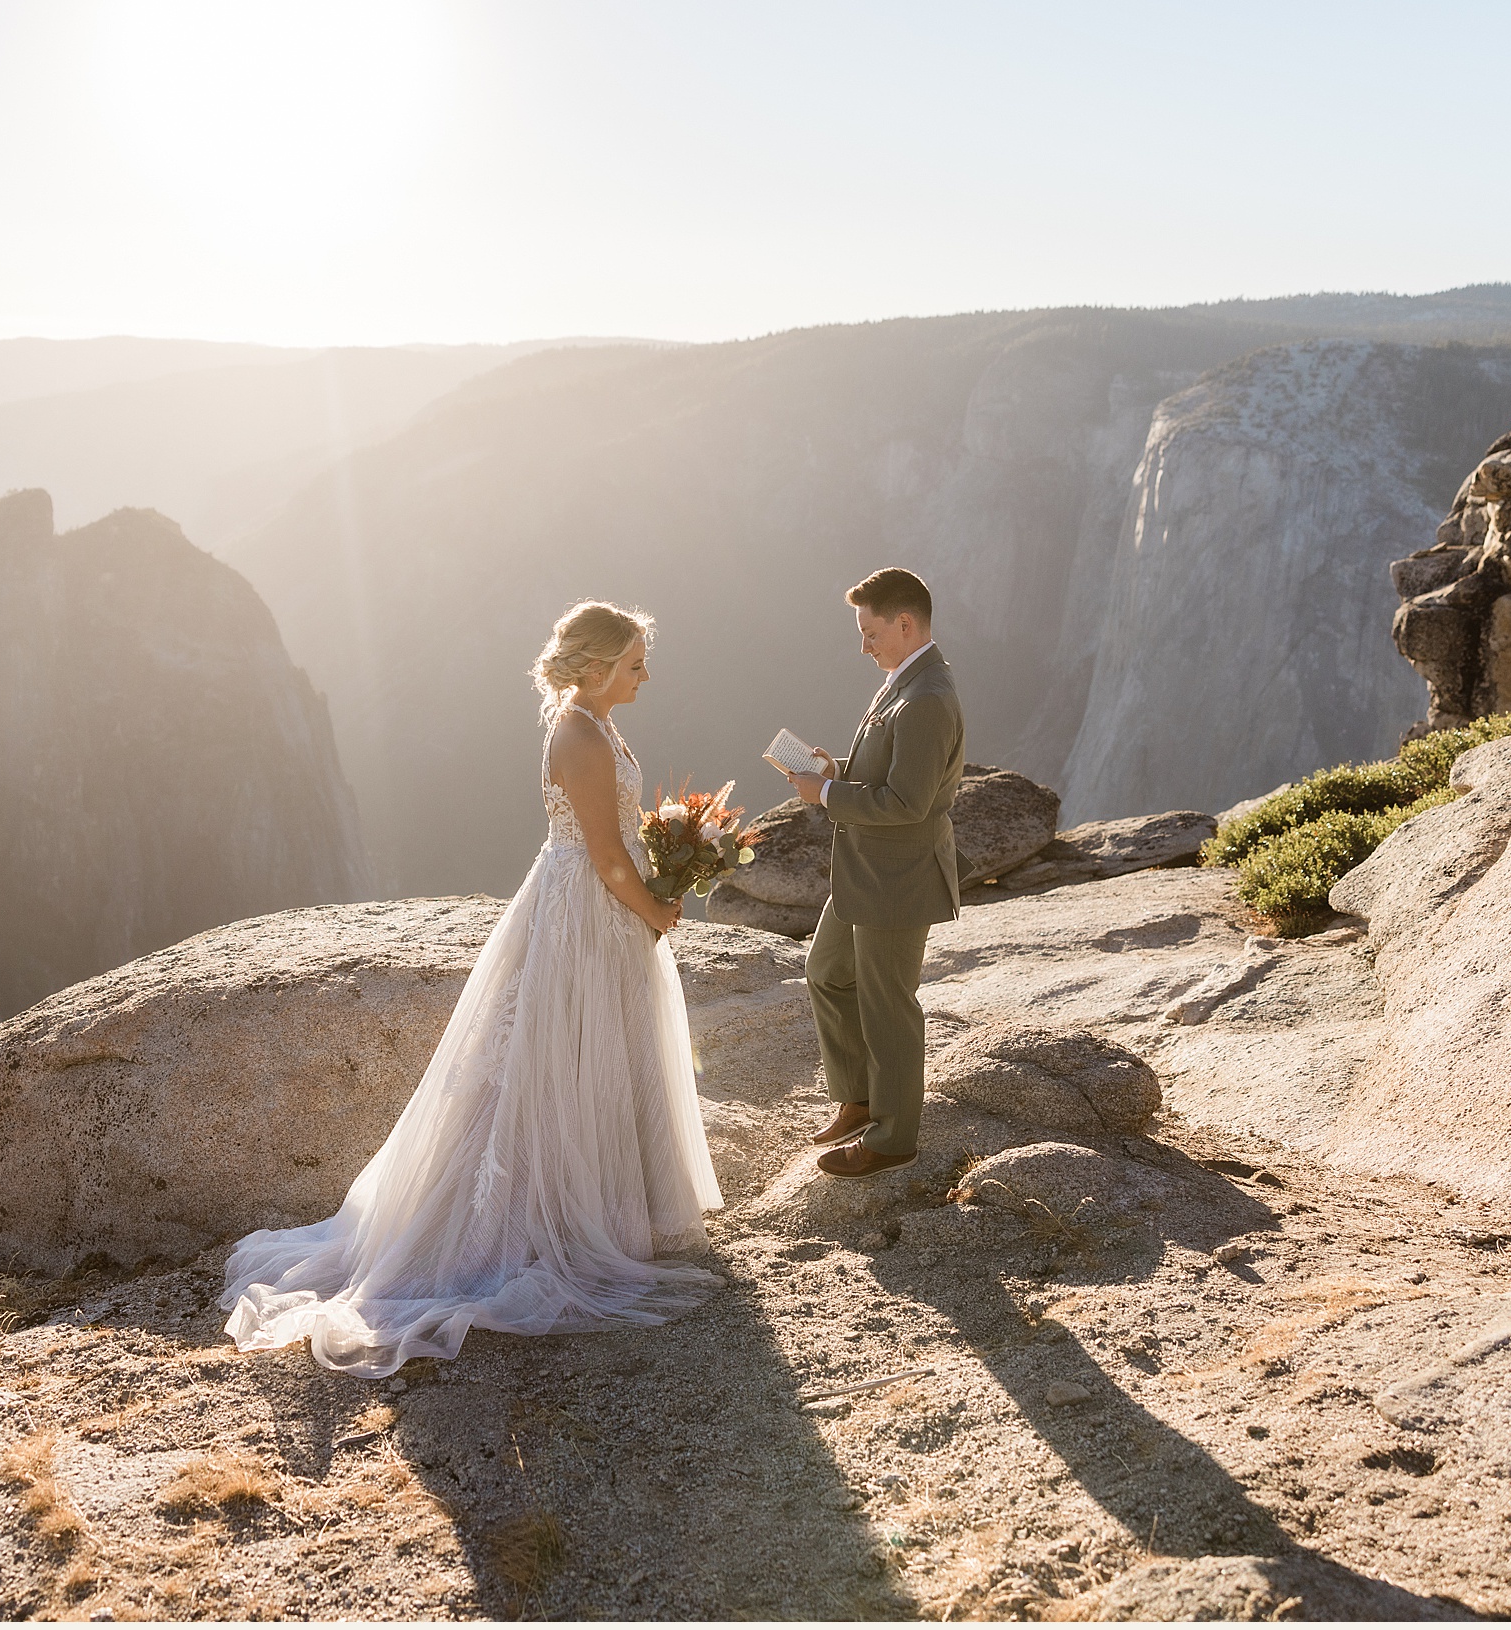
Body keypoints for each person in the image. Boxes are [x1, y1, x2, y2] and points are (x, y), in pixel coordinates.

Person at [222, 601, 723, 1378]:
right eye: (632, 664)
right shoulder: (581, 733)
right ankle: (555, 1220)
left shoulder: (589, 722)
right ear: (595, 667)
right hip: (586, 911)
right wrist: (656, 905)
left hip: (592, 908)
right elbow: (605, 857)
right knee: (560, 1059)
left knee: (592, 1054)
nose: (644, 676)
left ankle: (612, 1208)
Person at [779, 567, 964, 1179]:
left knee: (889, 1005)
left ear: (905, 624)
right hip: (864, 870)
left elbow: (908, 803)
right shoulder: (903, 682)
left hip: (898, 878)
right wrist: (840, 768)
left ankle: (893, 1137)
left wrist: (827, 793)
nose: (864, 645)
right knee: (827, 972)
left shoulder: (928, 699)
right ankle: (859, 1098)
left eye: (870, 631)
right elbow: (887, 773)